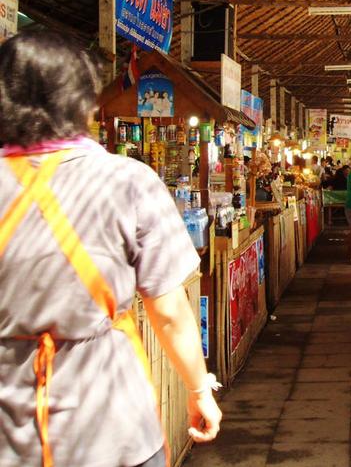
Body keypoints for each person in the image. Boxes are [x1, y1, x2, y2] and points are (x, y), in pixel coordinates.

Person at [0, 32, 221, 467]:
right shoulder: (128, 180)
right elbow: (170, 311)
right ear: (83, 102)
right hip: (113, 430)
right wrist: (198, 390)